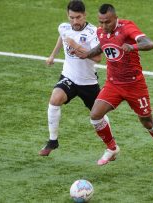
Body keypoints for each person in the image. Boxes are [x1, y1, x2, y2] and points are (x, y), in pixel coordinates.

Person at [67, 3, 153, 165]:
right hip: (113, 84)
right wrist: (86, 54)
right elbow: (102, 45)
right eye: (101, 22)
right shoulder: (101, 31)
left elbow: (149, 43)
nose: (103, 26)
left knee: (146, 121)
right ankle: (112, 148)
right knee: (95, 115)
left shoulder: (127, 27)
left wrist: (132, 46)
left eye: (107, 22)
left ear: (115, 18)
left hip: (135, 84)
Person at [39, 0, 106, 156]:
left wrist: (76, 45)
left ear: (84, 15)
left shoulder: (93, 32)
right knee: (55, 99)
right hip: (69, 76)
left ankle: (110, 144)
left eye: (78, 17)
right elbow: (62, 38)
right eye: (71, 17)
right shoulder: (64, 27)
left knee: (98, 116)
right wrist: (52, 56)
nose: (75, 21)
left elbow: (98, 59)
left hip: (88, 82)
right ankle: (53, 141)